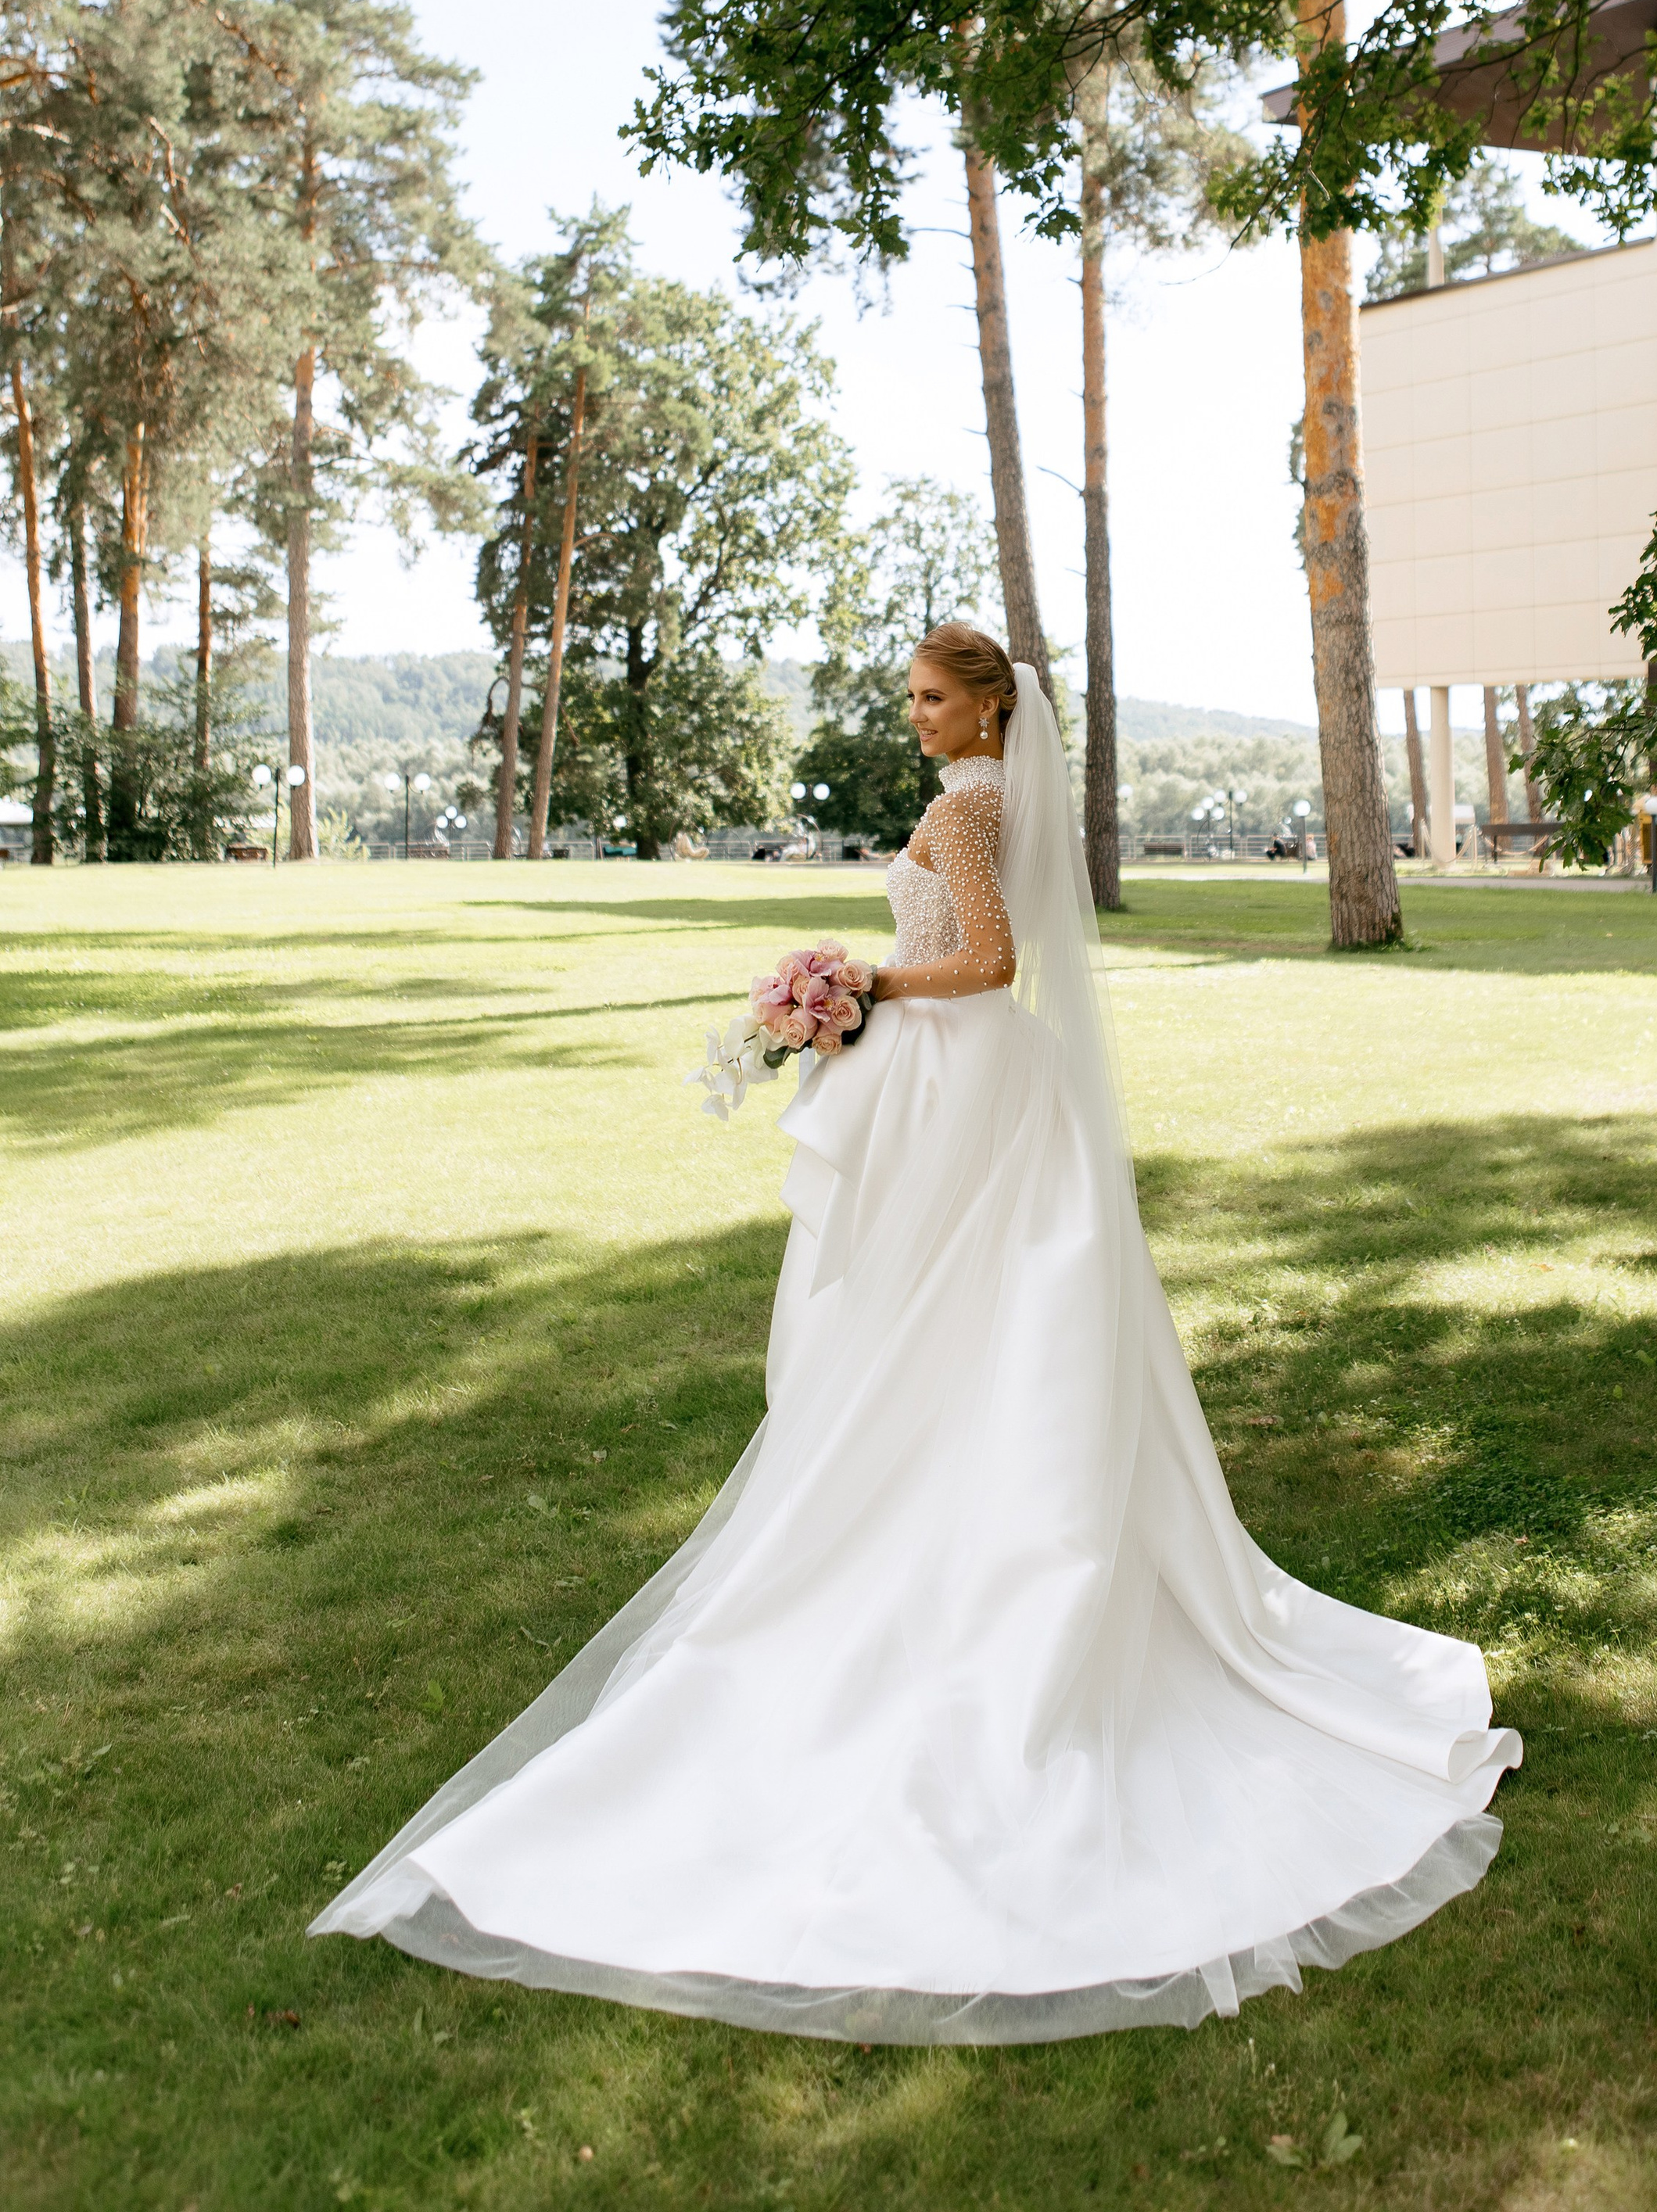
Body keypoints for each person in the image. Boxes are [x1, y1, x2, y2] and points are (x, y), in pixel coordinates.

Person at [313, 623, 1519, 2044]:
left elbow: (988, 963)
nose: (918, 717)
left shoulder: (969, 803)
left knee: (943, 1312)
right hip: (994, 1087)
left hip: (966, 1069)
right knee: (978, 1317)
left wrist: (868, 986)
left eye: (935, 698)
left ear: (992, 706)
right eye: (915, 698)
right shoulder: (998, 797)